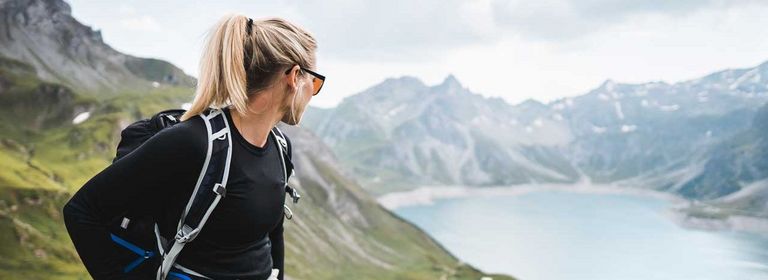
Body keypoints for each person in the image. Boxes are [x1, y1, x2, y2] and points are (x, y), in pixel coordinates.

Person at [62, 14, 324, 280]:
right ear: (293, 76)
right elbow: (82, 211)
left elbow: (271, 236)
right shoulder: (194, 142)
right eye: (314, 82)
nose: (313, 93)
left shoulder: (280, 147)